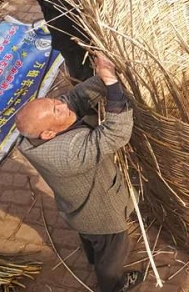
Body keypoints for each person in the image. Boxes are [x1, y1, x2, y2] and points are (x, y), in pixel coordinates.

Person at [16, 53, 140, 292]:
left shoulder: (32, 135)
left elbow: (73, 98)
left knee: (92, 239)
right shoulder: (66, 154)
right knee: (113, 250)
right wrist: (112, 84)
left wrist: (102, 77)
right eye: (57, 111)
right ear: (48, 134)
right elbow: (116, 133)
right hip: (101, 213)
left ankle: (93, 256)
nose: (63, 105)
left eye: (54, 102)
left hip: (77, 209)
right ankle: (113, 285)